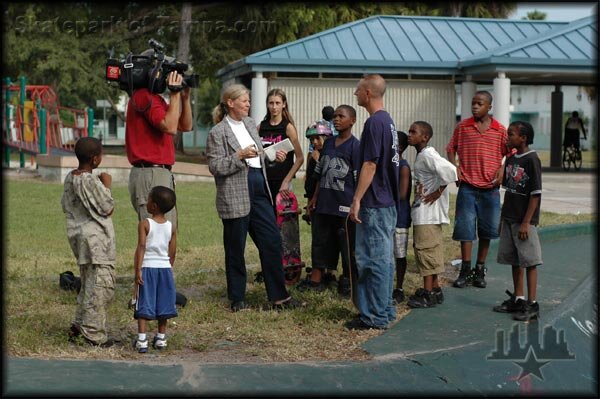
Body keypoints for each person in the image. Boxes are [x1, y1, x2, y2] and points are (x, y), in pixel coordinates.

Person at [206, 84, 303, 312]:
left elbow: (258, 156)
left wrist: (274, 157)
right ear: (231, 103)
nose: (249, 105)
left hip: (260, 188)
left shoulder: (250, 124)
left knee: (271, 241)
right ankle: (237, 299)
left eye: (249, 101)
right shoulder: (217, 132)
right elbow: (215, 166)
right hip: (235, 192)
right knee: (235, 247)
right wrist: (238, 156)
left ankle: (279, 297)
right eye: (244, 101)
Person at [347, 74, 399, 330]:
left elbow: (370, 164)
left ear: (368, 92)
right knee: (384, 260)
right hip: (387, 202)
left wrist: (356, 199)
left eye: (357, 90)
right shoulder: (387, 121)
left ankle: (374, 316)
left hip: (375, 203)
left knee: (372, 261)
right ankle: (385, 309)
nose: (355, 94)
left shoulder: (374, 123)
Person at [446, 90, 509, 290]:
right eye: (473, 103)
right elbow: (450, 148)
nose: (475, 106)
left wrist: (502, 168)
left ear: (489, 107)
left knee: (487, 231)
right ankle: (465, 269)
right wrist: (455, 167)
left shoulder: (500, 130)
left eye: (479, 103)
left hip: (490, 189)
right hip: (467, 188)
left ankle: (479, 269)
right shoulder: (463, 127)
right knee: (465, 230)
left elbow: (511, 152)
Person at [125, 53, 193, 229]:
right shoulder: (143, 96)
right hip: (150, 174)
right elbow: (170, 127)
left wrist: (184, 98)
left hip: (158, 173)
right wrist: (175, 94)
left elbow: (184, 126)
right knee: (157, 234)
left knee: (169, 231)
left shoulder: (155, 99)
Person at [301, 105, 361, 295]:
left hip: (343, 203)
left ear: (352, 121)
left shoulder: (356, 146)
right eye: (334, 116)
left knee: (346, 244)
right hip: (325, 202)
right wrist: (315, 197)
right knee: (320, 241)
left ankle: (348, 280)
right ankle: (317, 279)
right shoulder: (328, 143)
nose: (336, 119)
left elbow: (359, 178)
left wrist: (356, 202)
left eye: (341, 116)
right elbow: (321, 172)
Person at [62, 137, 116, 347]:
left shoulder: (70, 177)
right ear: (95, 159)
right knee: (100, 287)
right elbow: (107, 207)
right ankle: (93, 335)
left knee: (88, 285)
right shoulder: (90, 181)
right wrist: (107, 186)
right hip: (96, 245)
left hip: (79, 239)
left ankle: (78, 325)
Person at [493, 121, 543, 321]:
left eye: (511, 134)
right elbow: (503, 183)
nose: (508, 138)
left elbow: (535, 194)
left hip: (524, 221)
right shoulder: (513, 158)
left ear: (523, 138)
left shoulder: (532, 159)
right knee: (515, 260)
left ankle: (532, 304)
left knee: (530, 261)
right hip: (509, 217)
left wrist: (526, 222)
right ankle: (519, 298)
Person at [406, 122, 457, 308]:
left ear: (425, 137)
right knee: (427, 251)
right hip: (423, 213)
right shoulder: (422, 155)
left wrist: (438, 191)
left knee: (426, 251)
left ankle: (427, 293)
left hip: (428, 214)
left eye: (414, 132)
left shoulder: (428, 154)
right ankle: (435, 289)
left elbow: (451, 170)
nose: (410, 134)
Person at [132, 186, 178, 353]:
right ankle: (161, 338)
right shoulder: (171, 226)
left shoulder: (145, 224)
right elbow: (172, 251)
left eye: (149, 199)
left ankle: (142, 340)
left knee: (144, 302)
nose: (147, 202)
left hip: (148, 268)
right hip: (165, 269)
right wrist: (168, 266)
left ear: (154, 206)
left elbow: (141, 247)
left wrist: (137, 270)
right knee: (163, 303)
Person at [258, 88, 304, 206]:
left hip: (283, 183)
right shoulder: (260, 127)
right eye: (271, 103)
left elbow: (300, 158)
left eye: (277, 103)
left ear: (284, 104)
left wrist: (286, 181)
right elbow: (256, 154)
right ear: (267, 105)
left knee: (283, 222)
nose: (274, 107)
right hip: (264, 181)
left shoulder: (288, 128)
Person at [392, 131, 412, 304]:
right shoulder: (388, 164)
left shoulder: (403, 166)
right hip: (389, 216)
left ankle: (398, 287)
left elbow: (403, 194)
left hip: (399, 217)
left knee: (399, 255)